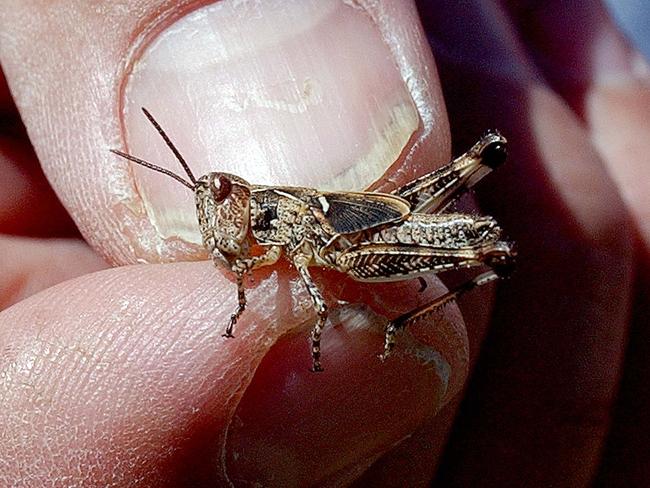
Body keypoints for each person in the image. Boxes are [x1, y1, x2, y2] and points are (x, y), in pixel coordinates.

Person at [0, 1, 648, 486]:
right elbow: (245, 265)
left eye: (220, 195)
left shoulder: (285, 209)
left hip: (372, 233)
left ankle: (405, 317)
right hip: (354, 239)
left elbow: (313, 262)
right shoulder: (252, 225)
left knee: (489, 244)